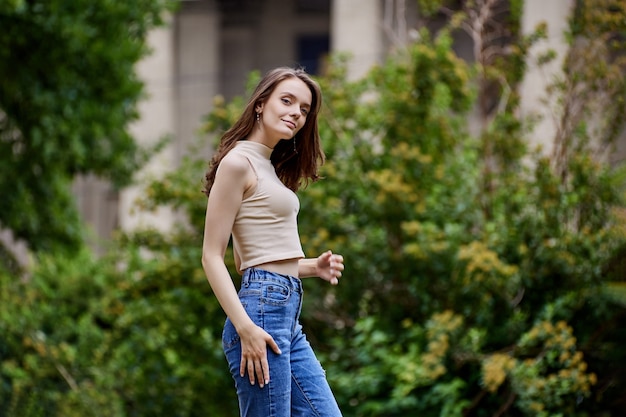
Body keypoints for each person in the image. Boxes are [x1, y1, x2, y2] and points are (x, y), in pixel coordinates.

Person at [201, 67, 344, 417]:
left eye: (305, 109)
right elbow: (211, 256)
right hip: (259, 316)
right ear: (261, 104)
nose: (297, 112)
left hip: (285, 314)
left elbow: (248, 258)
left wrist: (313, 267)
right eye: (287, 100)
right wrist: (245, 327)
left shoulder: (268, 168)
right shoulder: (238, 162)